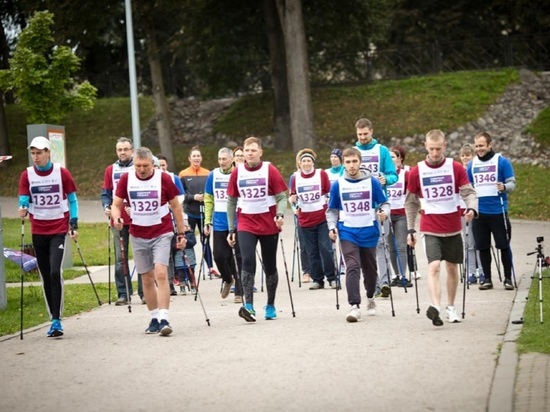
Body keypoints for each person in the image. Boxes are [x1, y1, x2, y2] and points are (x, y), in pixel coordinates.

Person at [405, 129, 477, 326]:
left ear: (444, 146)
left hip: (453, 226)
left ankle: (451, 307)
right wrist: (411, 229)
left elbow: (469, 193)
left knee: (452, 268)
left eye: (438, 149)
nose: (435, 153)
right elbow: (411, 203)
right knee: (434, 266)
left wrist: (471, 208)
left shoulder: (455, 168)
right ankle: (435, 307)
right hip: (430, 227)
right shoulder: (416, 171)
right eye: (432, 149)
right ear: (425, 147)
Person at [112, 147, 186, 336]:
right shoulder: (127, 179)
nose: (141, 169)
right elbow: (116, 204)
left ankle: (164, 318)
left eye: (145, 166)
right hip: (138, 234)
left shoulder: (163, 178)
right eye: (138, 165)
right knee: (146, 278)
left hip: (162, 232)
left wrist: (181, 232)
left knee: (161, 273)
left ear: (152, 165)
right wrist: (117, 218)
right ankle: (154, 318)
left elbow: (176, 206)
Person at [18, 136, 79, 337]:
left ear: (48, 153)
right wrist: (23, 208)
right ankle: (52, 318)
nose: (35, 157)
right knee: (45, 275)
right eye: (33, 153)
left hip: (58, 229)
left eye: (39, 153)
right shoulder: (27, 175)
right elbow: (24, 198)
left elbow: (72, 199)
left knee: (54, 272)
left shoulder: (61, 172)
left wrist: (74, 222)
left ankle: (56, 319)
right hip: (39, 231)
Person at [226, 136, 287, 322]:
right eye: (247, 150)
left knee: (269, 265)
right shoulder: (237, 172)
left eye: (253, 150)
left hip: (268, 223)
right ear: (243, 153)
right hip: (246, 223)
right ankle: (249, 305)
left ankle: (270, 305)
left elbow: (282, 198)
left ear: (260, 152)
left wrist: (280, 214)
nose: (249, 154)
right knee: (247, 260)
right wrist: (231, 229)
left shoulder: (270, 170)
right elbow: (231, 201)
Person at [327, 147, 390, 323]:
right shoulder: (338, 184)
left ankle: (370, 296)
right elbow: (331, 210)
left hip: (369, 231)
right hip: (347, 231)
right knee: (352, 266)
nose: (352, 165)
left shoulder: (372, 182)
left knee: (370, 269)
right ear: (343, 164)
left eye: (354, 161)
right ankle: (354, 305)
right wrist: (332, 227)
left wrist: (384, 212)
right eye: (348, 162)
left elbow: (384, 203)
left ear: (360, 162)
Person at [354, 118, 398, 297]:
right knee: (366, 247)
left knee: (381, 244)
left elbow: (393, 175)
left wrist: (385, 180)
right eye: (360, 135)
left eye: (365, 134)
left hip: (379, 203)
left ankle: (385, 282)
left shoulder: (382, 151)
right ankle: (373, 283)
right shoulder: (353, 152)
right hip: (360, 206)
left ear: (371, 131)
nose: (363, 137)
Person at [467, 132, 516, 291]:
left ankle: (508, 278)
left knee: (503, 245)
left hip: (498, 211)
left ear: (490, 145)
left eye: (482, 145)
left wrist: (504, 187)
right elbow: (468, 187)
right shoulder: (472, 165)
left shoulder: (502, 162)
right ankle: (487, 278)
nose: (479, 149)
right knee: (482, 246)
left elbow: (512, 184)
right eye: (477, 146)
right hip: (480, 213)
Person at [101, 137, 144, 305]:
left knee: (142, 256)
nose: (123, 152)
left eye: (126, 149)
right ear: (116, 151)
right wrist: (106, 206)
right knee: (121, 257)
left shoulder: (139, 167)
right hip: (118, 219)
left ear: (132, 150)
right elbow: (106, 192)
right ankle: (123, 293)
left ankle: (144, 292)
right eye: (120, 150)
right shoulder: (111, 170)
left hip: (138, 218)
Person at [289, 148, 337, 290]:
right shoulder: (295, 177)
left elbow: (328, 192)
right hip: (305, 220)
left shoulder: (320, 174)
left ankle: (332, 278)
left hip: (322, 218)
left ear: (313, 162)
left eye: (309, 160)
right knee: (312, 251)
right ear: (300, 163)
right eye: (303, 161)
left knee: (326, 248)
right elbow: (292, 197)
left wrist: (331, 210)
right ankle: (317, 279)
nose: (306, 163)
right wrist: (293, 200)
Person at [204, 147, 243, 303]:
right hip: (220, 220)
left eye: (224, 159)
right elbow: (208, 198)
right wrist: (207, 221)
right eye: (219, 159)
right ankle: (228, 279)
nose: (221, 162)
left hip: (238, 220)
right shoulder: (213, 175)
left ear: (232, 159)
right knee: (220, 256)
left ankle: (239, 291)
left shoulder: (239, 173)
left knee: (239, 256)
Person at [178, 146, 218, 278]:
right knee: (189, 240)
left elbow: (211, 192)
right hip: (189, 211)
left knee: (205, 239)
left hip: (203, 211)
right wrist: (193, 197)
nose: (196, 158)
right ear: (189, 158)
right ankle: (188, 270)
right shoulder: (183, 174)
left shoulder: (208, 173)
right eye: (193, 156)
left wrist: (205, 198)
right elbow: (180, 195)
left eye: (198, 156)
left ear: (201, 158)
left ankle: (210, 267)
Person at [387, 146, 413, 288]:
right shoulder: (383, 175)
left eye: (393, 156)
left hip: (401, 214)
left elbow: (410, 194)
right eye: (388, 157)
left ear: (399, 159)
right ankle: (396, 275)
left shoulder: (405, 174)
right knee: (391, 247)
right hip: (387, 215)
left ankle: (403, 275)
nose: (391, 159)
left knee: (401, 246)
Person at [458, 144, 484, 284]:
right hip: (463, 210)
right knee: (468, 243)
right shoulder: (458, 171)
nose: (465, 158)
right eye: (463, 155)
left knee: (478, 242)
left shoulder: (475, 169)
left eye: (468, 155)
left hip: (475, 209)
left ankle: (482, 270)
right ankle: (471, 271)